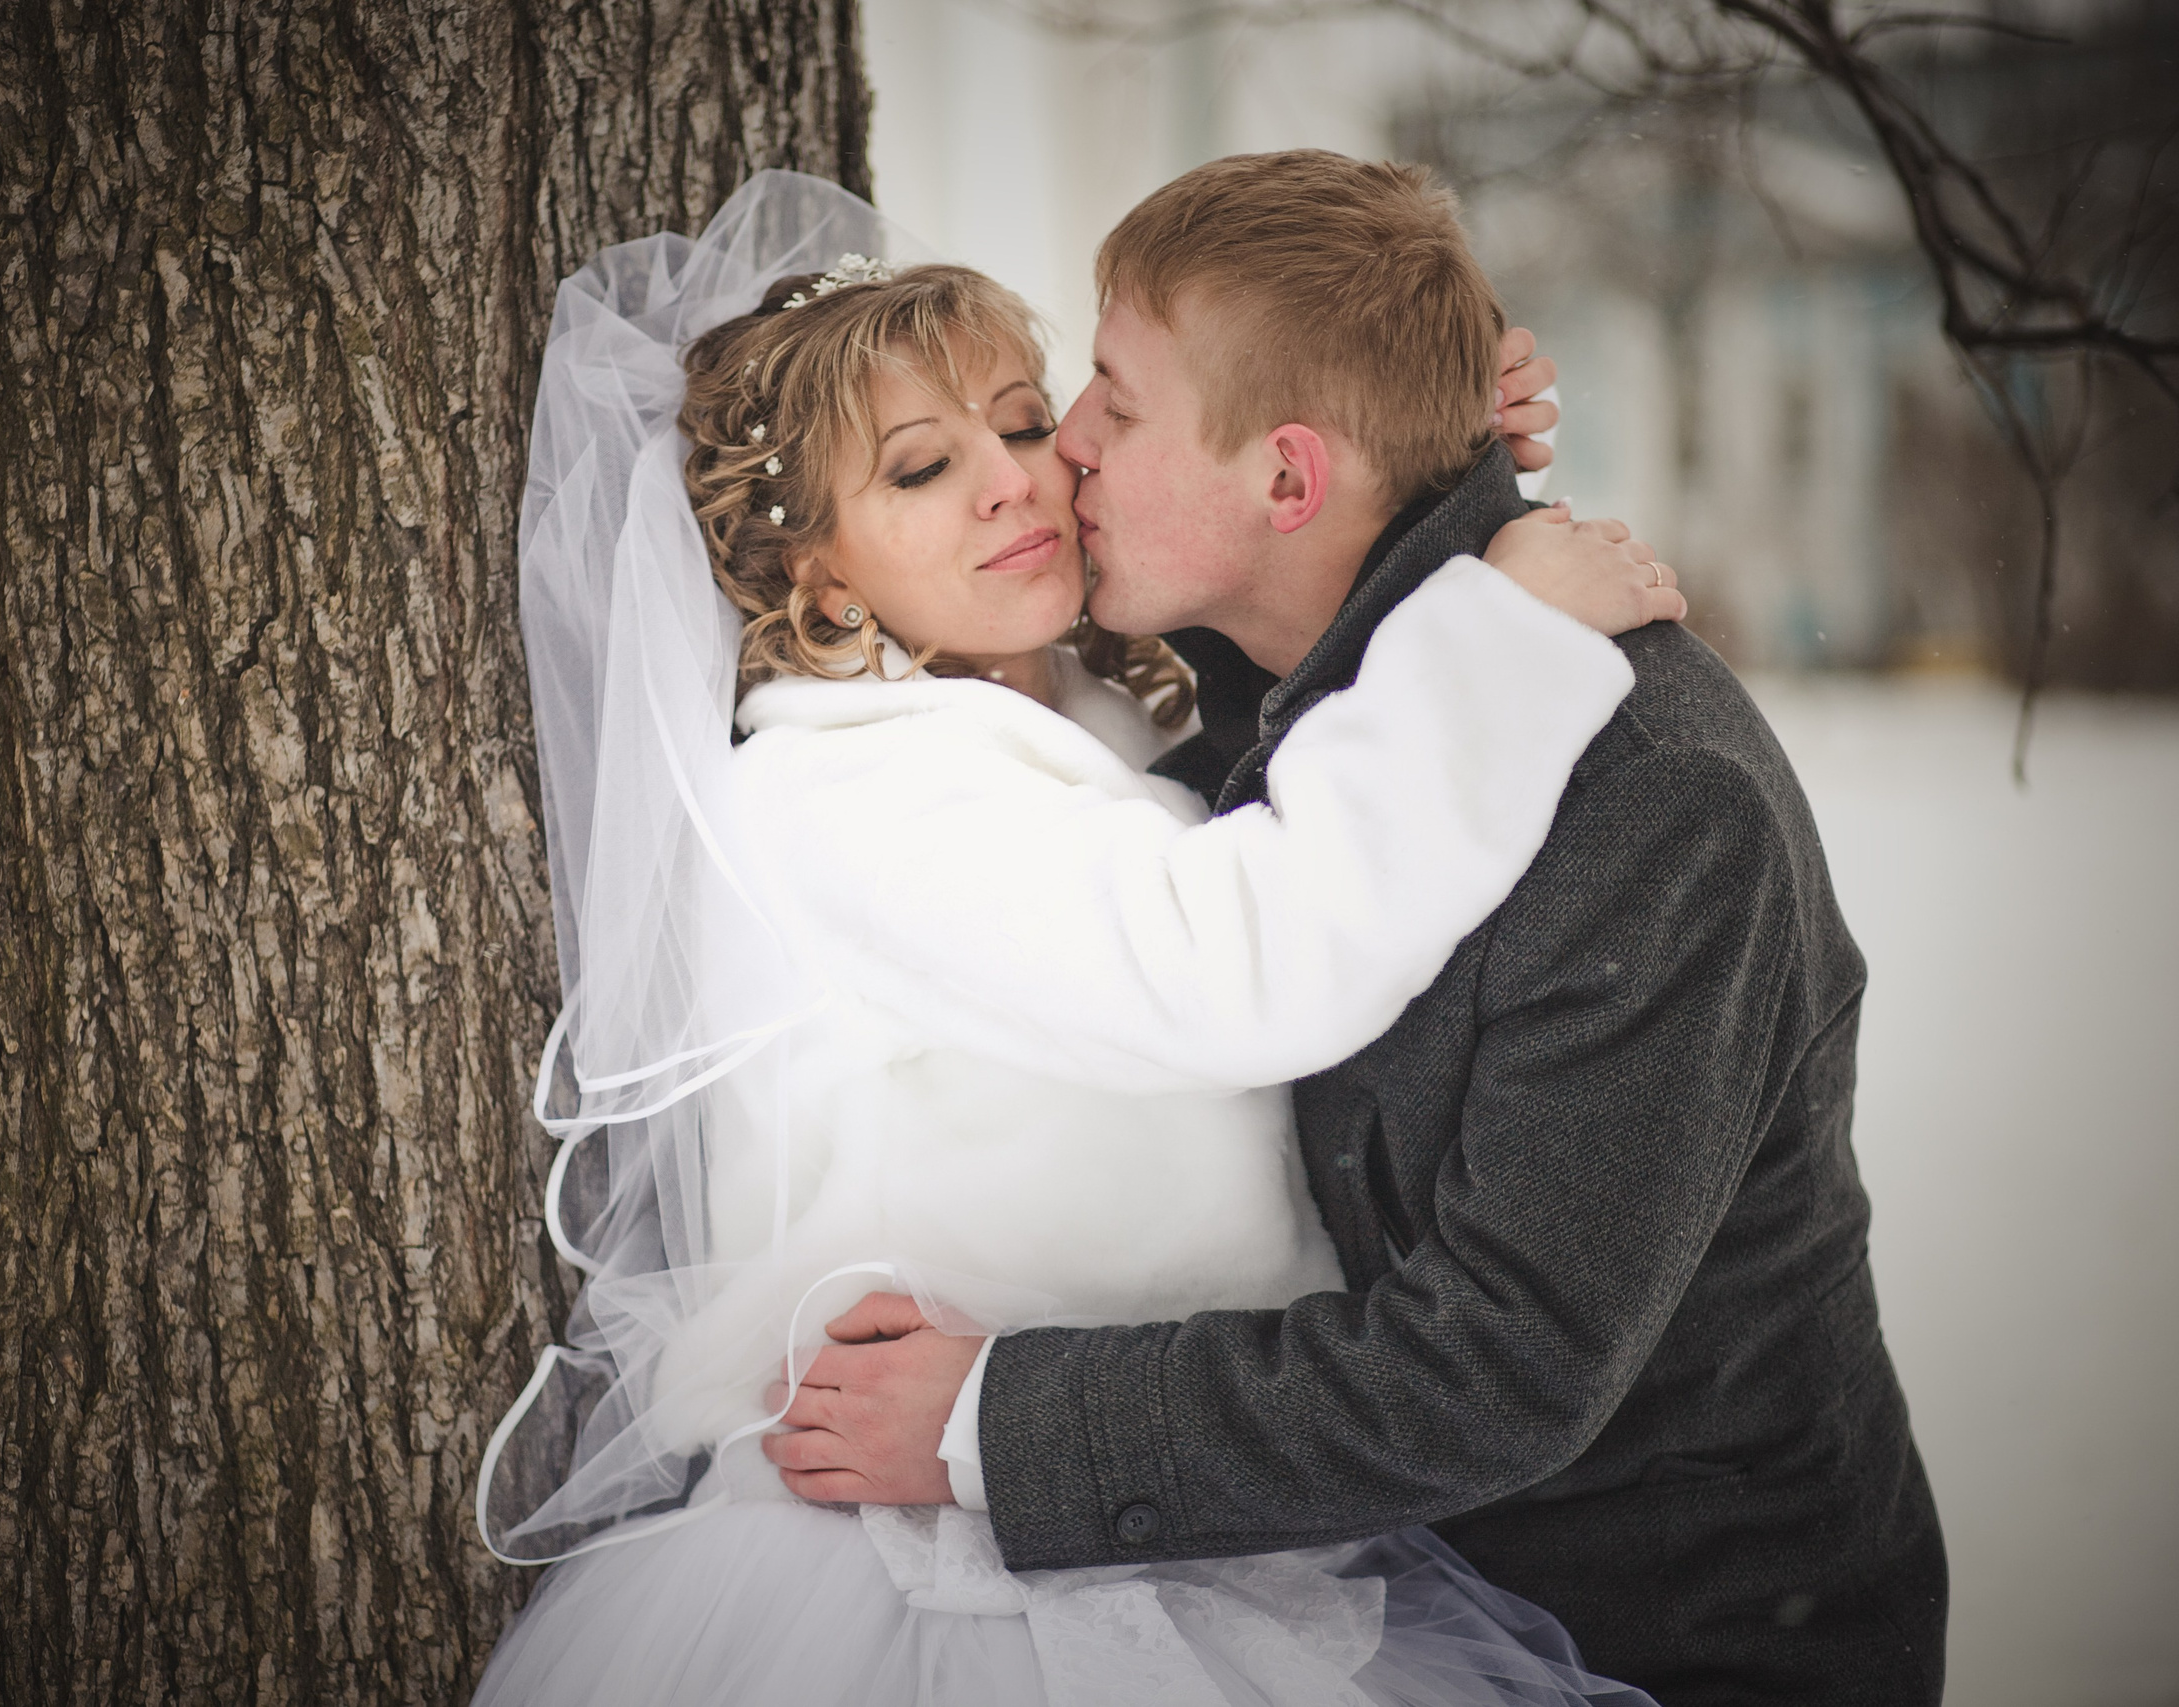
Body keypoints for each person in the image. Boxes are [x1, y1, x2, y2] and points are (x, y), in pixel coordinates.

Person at [474, 169, 1678, 1706]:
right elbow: (1236, 959)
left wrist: (1401, 451)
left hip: (1150, 1492)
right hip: (945, 1560)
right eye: (923, 468)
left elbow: (1286, 646)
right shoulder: (844, 796)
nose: (1012, 482)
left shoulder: (1089, 705)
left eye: (1026, 422)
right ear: (813, 567)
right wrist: (1500, 638)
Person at [768, 154, 1950, 1706]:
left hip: (1674, 1640)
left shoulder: (1653, 805)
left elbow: (1494, 1367)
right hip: (1388, 1590)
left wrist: (995, 1423)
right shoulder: (1308, 681)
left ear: (1288, 484)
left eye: (1113, 404)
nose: (1067, 451)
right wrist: (1429, 426)